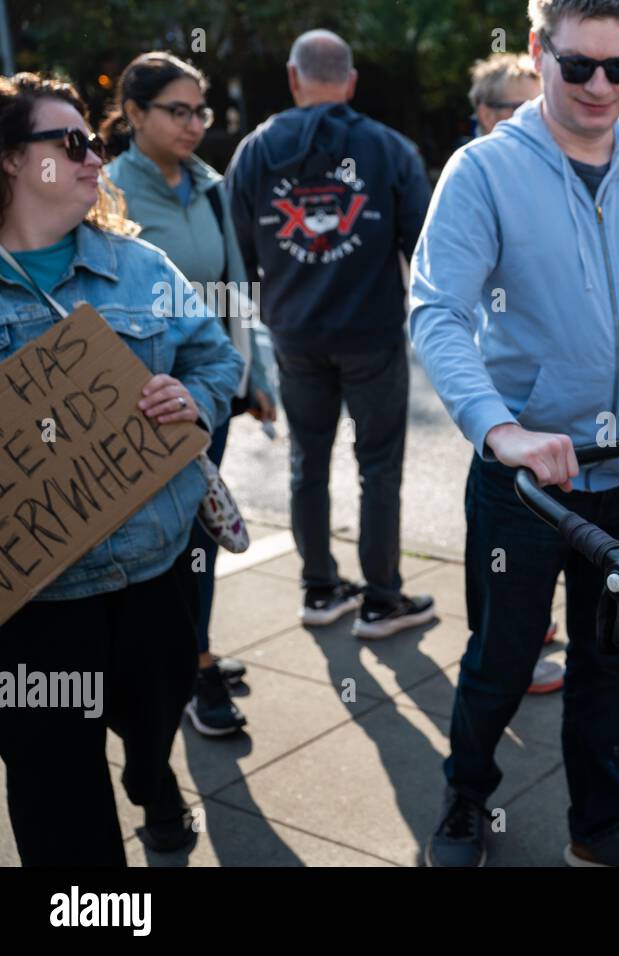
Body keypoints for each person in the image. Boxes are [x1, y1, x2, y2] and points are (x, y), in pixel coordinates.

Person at [409, 0, 619, 867]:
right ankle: (466, 795)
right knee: (502, 657)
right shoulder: (482, 171)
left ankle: (595, 823)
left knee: (607, 666)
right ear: (537, 50)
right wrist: (500, 431)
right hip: (525, 484)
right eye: (579, 65)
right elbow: (437, 312)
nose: (601, 87)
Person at [0, 73, 244, 865]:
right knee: (57, 797)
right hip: (35, 609)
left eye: (95, 142)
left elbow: (217, 359)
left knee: (150, 720)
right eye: (70, 143)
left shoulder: (142, 269)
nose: (91, 156)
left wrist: (194, 400)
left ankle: (151, 775)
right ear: (10, 159)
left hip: (154, 579)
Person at [226, 29, 436, 638]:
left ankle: (319, 589)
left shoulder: (256, 151)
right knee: (379, 467)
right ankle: (380, 599)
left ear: (293, 78)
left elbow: (239, 254)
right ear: (350, 82)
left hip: (294, 335)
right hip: (371, 332)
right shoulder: (389, 149)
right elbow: (424, 249)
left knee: (305, 461)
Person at [102, 51, 277, 736]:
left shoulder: (208, 183)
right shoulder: (104, 188)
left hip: (208, 390)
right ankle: (186, 671)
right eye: (178, 110)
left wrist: (252, 376)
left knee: (200, 528)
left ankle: (193, 655)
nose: (195, 124)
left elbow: (237, 289)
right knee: (160, 541)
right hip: (139, 404)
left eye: (200, 110)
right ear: (135, 113)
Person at [464, 52, 565, 695]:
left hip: (557, 429)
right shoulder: (476, 176)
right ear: (485, 114)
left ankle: (529, 629)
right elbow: (445, 307)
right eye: (517, 106)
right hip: (501, 407)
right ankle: (506, 647)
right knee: (497, 557)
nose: (536, 119)